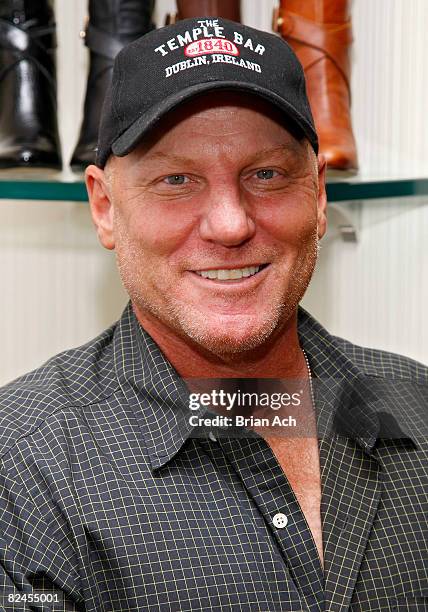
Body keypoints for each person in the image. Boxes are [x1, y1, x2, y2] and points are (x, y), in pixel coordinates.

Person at [0, 18, 426, 612]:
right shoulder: (23, 464)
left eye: (267, 174)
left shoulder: (418, 406)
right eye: (176, 180)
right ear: (104, 208)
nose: (230, 224)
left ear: (320, 194)